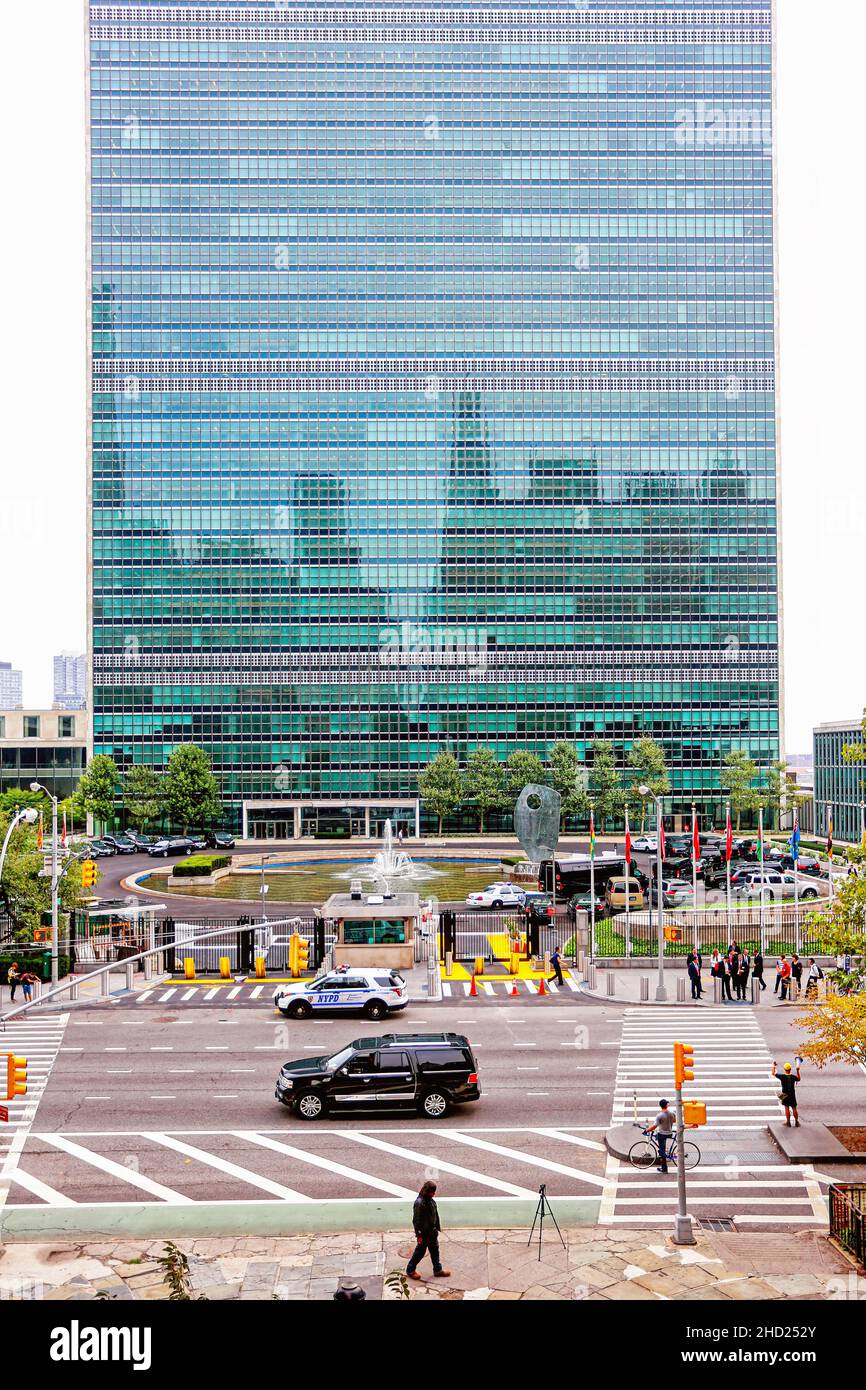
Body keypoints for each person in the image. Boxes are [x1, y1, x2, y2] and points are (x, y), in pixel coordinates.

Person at [406, 1180, 450, 1280]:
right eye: (432, 1192)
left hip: (432, 1232)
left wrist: (436, 1227)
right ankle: (410, 1270)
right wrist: (419, 1235)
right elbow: (416, 1221)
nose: (434, 1194)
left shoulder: (430, 1200)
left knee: (435, 1251)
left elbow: (435, 1214)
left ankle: (438, 1270)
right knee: (420, 1253)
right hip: (425, 1234)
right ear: (427, 1191)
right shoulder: (420, 1203)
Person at [647, 1099, 675, 1174]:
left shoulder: (659, 1115)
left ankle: (664, 1169)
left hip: (662, 1134)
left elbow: (654, 1126)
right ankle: (664, 1154)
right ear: (666, 1105)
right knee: (659, 1141)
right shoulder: (672, 1113)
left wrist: (647, 1130)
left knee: (661, 1151)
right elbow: (674, 1121)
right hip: (669, 1133)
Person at [772, 1059, 801, 1126]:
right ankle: (796, 1122)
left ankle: (788, 1122)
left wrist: (774, 1066)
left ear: (785, 1069)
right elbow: (799, 1079)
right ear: (790, 1069)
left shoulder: (782, 1077)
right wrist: (797, 1071)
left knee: (787, 1107)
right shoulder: (793, 1077)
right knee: (794, 1108)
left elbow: (773, 1073)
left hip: (785, 1095)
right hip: (792, 1095)